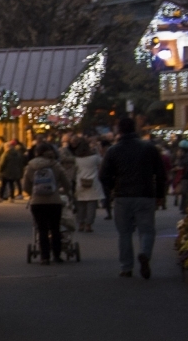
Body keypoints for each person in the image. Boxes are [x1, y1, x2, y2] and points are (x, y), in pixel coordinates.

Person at [99, 116, 169, 278]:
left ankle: (126, 267)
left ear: (119, 130)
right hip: (145, 194)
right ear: (134, 129)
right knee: (147, 230)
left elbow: (103, 175)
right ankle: (144, 253)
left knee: (124, 233)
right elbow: (161, 173)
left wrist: (111, 189)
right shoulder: (149, 148)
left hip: (122, 195)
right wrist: (160, 194)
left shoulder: (113, 150)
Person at [20, 140, 70, 263]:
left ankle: (44, 256)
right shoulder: (56, 165)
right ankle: (57, 255)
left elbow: (25, 186)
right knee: (55, 228)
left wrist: (33, 193)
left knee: (41, 229)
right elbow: (67, 183)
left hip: (37, 202)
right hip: (54, 201)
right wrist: (65, 191)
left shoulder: (30, 166)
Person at [70, 136, 102, 233]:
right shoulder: (95, 157)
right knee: (91, 206)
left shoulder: (77, 159)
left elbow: (74, 171)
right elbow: (101, 165)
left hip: (80, 183)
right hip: (93, 183)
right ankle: (89, 224)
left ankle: (80, 223)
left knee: (81, 206)